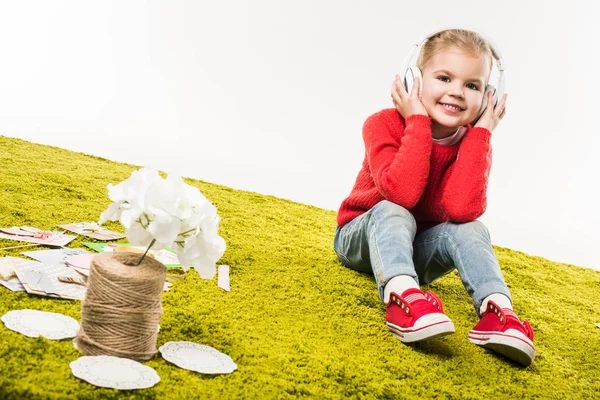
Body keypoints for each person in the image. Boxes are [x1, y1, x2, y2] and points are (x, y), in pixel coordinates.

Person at [333, 29, 535, 367]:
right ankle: (402, 298)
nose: (457, 92)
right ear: (416, 79)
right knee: (394, 210)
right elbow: (402, 193)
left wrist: (482, 131)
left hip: (415, 254)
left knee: (472, 228)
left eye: (472, 86)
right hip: (361, 238)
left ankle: (498, 311)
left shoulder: (473, 142)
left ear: (488, 98)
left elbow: (461, 210)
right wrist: (416, 120)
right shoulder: (382, 123)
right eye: (444, 78)